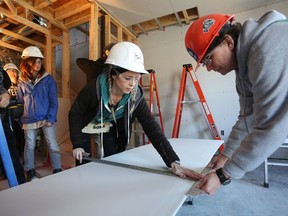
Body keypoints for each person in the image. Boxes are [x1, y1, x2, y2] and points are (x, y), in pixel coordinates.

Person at [184, 10, 288, 194]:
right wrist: (226, 155)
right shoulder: (242, 68)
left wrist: (224, 175)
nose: (208, 68)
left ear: (228, 42)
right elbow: (248, 118)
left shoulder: (266, 48)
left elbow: (272, 126)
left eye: (209, 58)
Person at [69, 41, 202, 180]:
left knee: (113, 157)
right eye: (127, 78)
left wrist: (172, 161)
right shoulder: (94, 88)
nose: (132, 84)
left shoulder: (135, 96)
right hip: (86, 122)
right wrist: (77, 144)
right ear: (114, 74)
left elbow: (152, 128)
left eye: (136, 78)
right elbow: (75, 113)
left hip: (108, 123)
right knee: (82, 159)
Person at [17, 46, 62, 181]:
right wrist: (21, 120)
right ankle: (29, 170)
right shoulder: (21, 82)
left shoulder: (48, 79)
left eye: (40, 61)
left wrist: (51, 118)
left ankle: (57, 168)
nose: (38, 64)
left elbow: (53, 101)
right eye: (35, 61)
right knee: (29, 145)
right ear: (27, 62)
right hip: (29, 119)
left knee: (52, 143)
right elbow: (20, 101)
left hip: (46, 118)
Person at [0, 62, 26, 184]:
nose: (13, 73)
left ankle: (19, 185)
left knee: (12, 148)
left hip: (7, 117)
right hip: (10, 116)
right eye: (11, 71)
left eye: (14, 71)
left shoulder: (19, 84)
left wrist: (5, 94)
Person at [3, 63, 25, 156]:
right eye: (9, 71)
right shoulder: (3, 87)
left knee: (23, 135)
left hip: (22, 115)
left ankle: (22, 152)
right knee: (12, 136)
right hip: (8, 116)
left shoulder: (22, 84)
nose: (12, 73)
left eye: (14, 71)